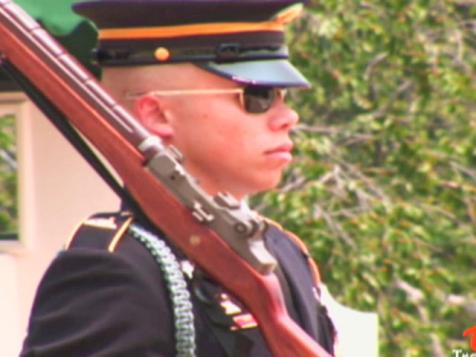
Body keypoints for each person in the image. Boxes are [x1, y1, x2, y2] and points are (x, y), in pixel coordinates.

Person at [20, 0, 337, 356]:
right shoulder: (115, 273)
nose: (288, 116)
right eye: (258, 96)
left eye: (283, 96)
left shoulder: (285, 252)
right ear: (157, 115)